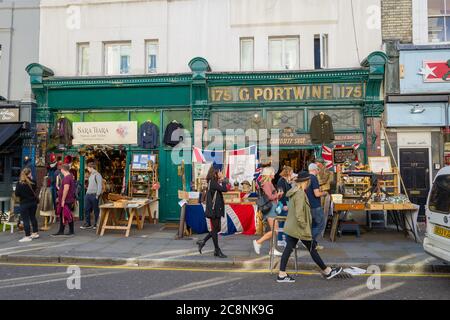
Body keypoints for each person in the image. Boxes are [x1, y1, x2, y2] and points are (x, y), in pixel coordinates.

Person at [277, 172, 343, 282]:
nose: (309, 184)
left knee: (290, 249)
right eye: (308, 182)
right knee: (311, 247)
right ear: (305, 182)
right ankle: (327, 271)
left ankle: (282, 274)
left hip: (293, 227)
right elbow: (299, 213)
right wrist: (304, 226)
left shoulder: (296, 191)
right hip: (299, 227)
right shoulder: (300, 194)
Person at [196, 167, 229, 258]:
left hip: (215, 209)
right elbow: (224, 189)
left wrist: (221, 180)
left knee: (216, 229)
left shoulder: (212, 182)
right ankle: (217, 250)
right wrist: (223, 179)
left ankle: (203, 242)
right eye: (219, 172)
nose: (220, 173)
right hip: (214, 210)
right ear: (215, 173)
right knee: (215, 229)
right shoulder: (213, 183)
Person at [253, 166, 284, 256]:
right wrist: (277, 194)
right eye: (273, 172)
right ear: (269, 174)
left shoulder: (269, 183)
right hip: (270, 209)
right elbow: (270, 196)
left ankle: (273, 249)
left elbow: (272, 196)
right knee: (275, 230)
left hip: (273, 207)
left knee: (275, 229)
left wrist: (279, 195)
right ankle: (258, 242)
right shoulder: (267, 183)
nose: (274, 174)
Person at [306, 163, 328, 250]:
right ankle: (310, 242)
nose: (318, 171)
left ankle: (313, 243)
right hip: (315, 205)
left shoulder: (307, 178)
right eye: (317, 169)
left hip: (309, 205)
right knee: (321, 225)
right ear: (315, 170)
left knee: (313, 225)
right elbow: (317, 193)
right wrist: (324, 193)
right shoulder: (314, 178)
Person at [15, 168, 40, 242]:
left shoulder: (19, 183)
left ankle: (27, 236)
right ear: (29, 174)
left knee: (25, 219)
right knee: (33, 217)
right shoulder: (33, 182)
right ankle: (35, 233)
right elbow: (35, 190)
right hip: (33, 203)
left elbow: (17, 194)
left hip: (24, 203)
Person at [52, 164, 76, 237]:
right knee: (66, 214)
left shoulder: (66, 178)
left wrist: (62, 200)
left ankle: (67, 231)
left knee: (66, 214)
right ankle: (63, 231)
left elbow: (66, 189)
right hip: (69, 199)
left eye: (61, 169)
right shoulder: (70, 176)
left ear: (62, 170)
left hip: (66, 200)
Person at [81, 162, 103, 229]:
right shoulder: (91, 175)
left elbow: (100, 185)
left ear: (91, 167)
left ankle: (96, 224)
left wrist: (97, 195)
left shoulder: (98, 175)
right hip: (88, 194)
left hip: (94, 195)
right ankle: (88, 223)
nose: (87, 169)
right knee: (86, 209)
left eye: (88, 167)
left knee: (96, 210)